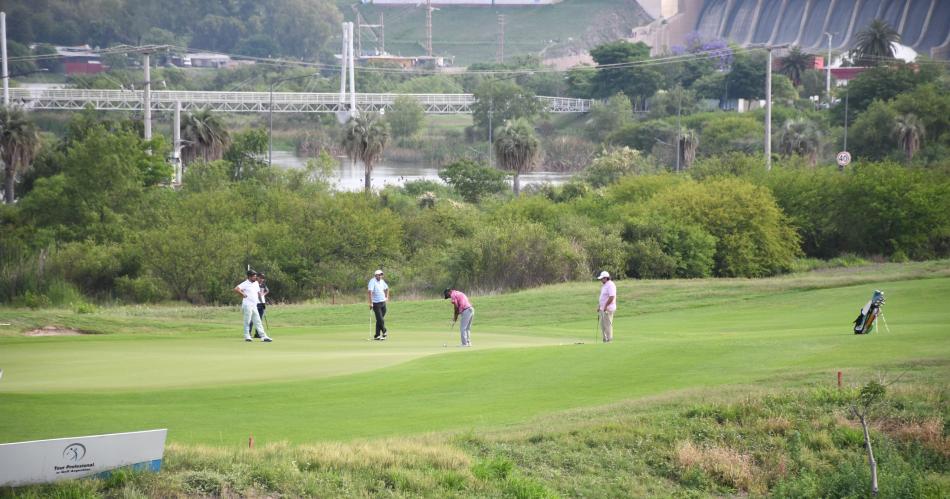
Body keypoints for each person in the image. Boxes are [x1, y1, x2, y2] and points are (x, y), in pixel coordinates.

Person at [234, 270, 272, 342]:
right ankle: (247, 336)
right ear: (249, 277)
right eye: (254, 276)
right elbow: (236, 289)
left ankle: (263, 336)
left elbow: (258, 294)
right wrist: (242, 294)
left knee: (258, 321)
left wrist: (262, 303)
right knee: (247, 321)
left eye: (255, 276)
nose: (255, 277)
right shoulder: (245, 283)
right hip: (247, 305)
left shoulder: (256, 283)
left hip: (254, 305)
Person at [367, 269, 389, 340]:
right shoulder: (372, 281)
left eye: (381, 275)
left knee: (379, 320)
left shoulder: (382, 281)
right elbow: (370, 292)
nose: (380, 276)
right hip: (376, 304)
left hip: (383, 303)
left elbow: (387, 288)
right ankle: (384, 331)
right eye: (379, 275)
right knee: (380, 319)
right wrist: (370, 303)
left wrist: (386, 297)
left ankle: (377, 335)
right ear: (375, 275)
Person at [596, 270, 616, 343]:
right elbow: (603, 297)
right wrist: (599, 306)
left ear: (606, 278)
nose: (601, 280)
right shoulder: (604, 286)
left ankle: (609, 340)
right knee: (602, 326)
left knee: (607, 325)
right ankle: (605, 340)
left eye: (602, 278)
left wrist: (605, 306)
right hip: (603, 309)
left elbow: (612, 297)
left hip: (608, 309)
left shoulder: (611, 285)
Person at [251, 273, 269, 338]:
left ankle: (257, 333)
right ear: (257, 277)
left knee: (259, 319)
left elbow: (267, 290)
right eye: (260, 278)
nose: (262, 279)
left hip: (262, 303)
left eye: (263, 278)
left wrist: (263, 294)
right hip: (255, 303)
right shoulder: (254, 284)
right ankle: (249, 333)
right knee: (252, 319)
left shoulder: (263, 284)